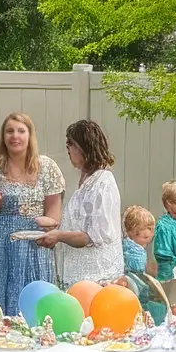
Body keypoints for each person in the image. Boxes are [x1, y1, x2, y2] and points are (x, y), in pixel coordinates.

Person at [0, 111, 64, 322]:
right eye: (9, 131)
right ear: (3, 136)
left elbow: (54, 213)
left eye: (21, 131)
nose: (15, 136)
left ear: (30, 136)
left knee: (32, 300)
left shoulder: (47, 167)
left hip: (33, 245)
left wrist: (49, 225)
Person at [31, 120, 121, 286]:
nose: (68, 150)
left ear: (83, 147)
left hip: (96, 277)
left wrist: (58, 236)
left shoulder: (102, 183)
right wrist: (55, 228)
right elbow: (80, 225)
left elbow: (92, 236)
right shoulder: (88, 181)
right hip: (79, 277)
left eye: (70, 144)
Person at [120, 208, 169, 323]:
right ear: (131, 232)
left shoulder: (129, 245)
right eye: (143, 230)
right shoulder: (135, 251)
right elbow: (138, 270)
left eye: (150, 229)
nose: (149, 233)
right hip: (136, 282)